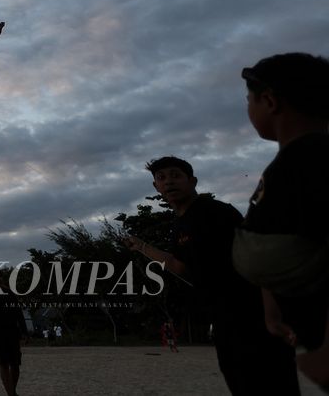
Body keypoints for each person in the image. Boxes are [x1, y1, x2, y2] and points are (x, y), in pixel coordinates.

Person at [125, 156, 297, 393]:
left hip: (254, 316)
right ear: (156, 187)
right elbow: (179, 266)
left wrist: (272, 315)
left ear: (192, 181)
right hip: (225, 322)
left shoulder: (216, 212)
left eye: (176, 175)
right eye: (161, 178)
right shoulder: (180, 226)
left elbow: (260, 257)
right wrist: (142, 247)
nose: (169, 182)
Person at [233, 53, 329, 389]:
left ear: (270, 100)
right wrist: (270, 305)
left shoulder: (314, 158)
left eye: (249, 99)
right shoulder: (292, 160)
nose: (248, 108)